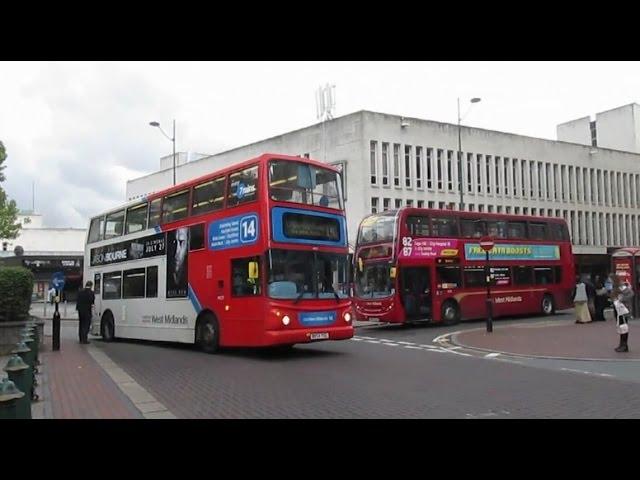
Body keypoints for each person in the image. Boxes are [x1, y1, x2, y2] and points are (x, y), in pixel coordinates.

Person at [612, 280, 633, 352]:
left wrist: (622, 299)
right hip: (619, 311)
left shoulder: (623, 288)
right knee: (621, 328)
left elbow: (631, 294)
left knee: (623, 327)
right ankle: (622, 344)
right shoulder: (616, 289)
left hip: (623, 310)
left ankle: (624, 345)